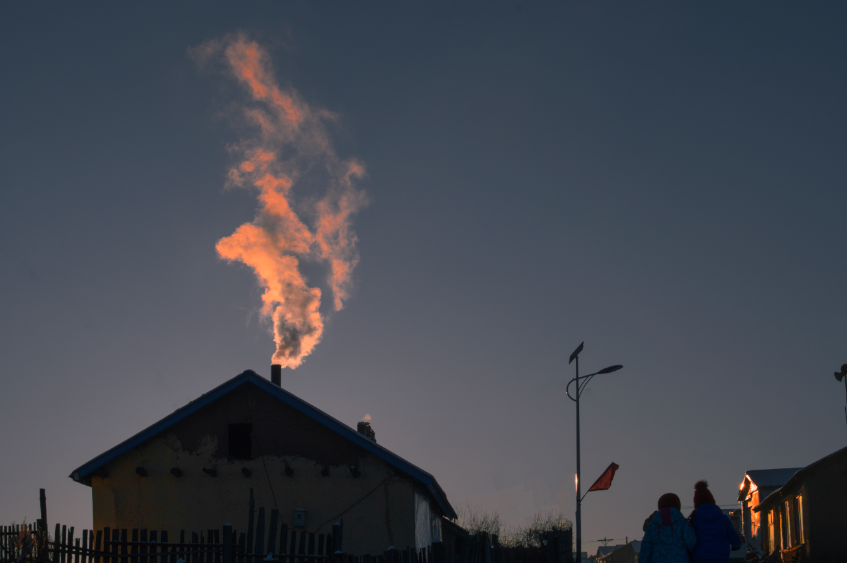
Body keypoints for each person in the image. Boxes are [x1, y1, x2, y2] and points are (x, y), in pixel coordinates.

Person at [688, 481, 743, 563]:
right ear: (712, 500)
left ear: (696, 503)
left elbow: (689, 542)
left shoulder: (693, 520)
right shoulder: (723, 519)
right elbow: (736, 542)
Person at [640, 492, 697, 563]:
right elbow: (691, 543)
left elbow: (645, 553)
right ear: (678, 506)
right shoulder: (684, 523)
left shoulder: (651, 527)